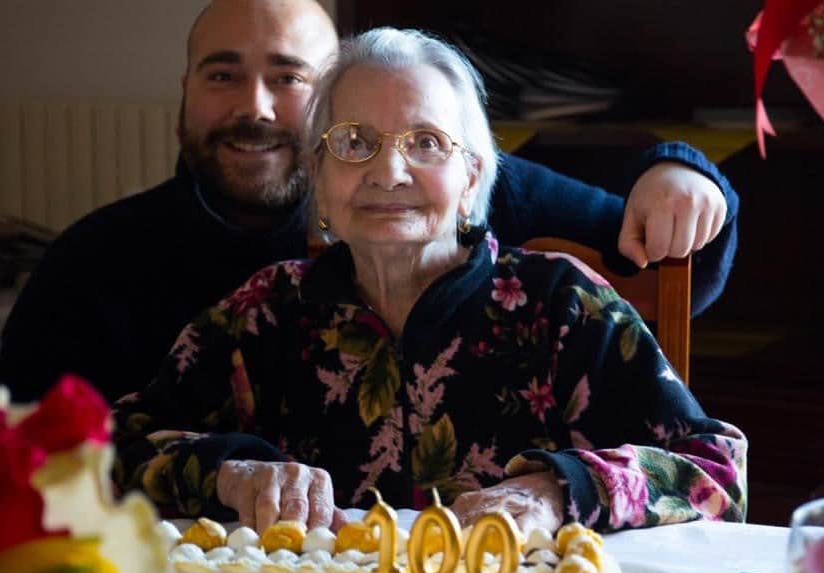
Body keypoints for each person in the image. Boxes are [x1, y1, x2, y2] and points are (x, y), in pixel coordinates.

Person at [112, 27, 747, 536]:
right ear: (319, 180)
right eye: (354, 141)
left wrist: (558, 491)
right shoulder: (265, 314)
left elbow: (717, 471)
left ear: (472, 177)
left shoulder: (560, 306)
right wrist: (228, 472)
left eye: (425, 142)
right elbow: (111, 448)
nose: (389, 172)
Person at [0, 0, 738, 403]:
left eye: (288, 77)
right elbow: (36, 457)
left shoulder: (437, 186)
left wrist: (681, 172)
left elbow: (677, 264)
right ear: (185, 93)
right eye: (222, 76)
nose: (254, 107)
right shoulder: (96, 260)